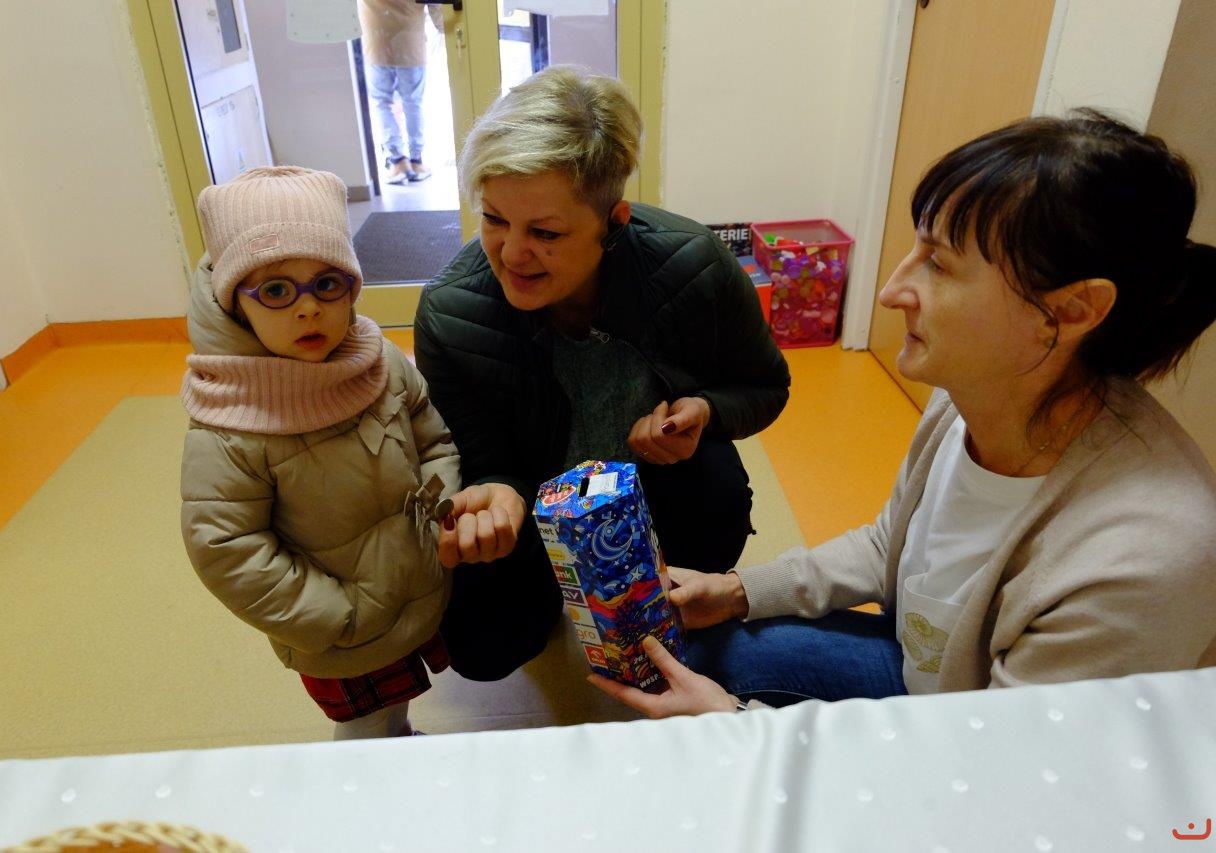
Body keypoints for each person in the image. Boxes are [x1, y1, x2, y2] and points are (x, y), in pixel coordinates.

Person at [591, 110, 1216, 718]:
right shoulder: (970, 394)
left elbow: (1002, 769)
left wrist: (732, 722)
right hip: (929, 679)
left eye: (939, 263)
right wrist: (738, 591)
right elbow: (892, 542)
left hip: (984, 750)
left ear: (1074, 310)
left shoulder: (1139, 562)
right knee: (698, 649)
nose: (892, 291)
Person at [415, 66, 791, 681]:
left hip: (653, 487)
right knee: (481, 649)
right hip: (536, 500)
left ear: (614, 222)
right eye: (494, 219)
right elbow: (481, 455)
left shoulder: (694, 267)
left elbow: (766, 386)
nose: (511, 253)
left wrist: (705, 411)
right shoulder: (452, 312)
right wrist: (497, 494)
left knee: (717, 494)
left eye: (545, 232)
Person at [179, 166, 460, 738]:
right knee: (363, 729)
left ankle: (400, 740)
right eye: (276, 291)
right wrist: (337, 616)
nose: (308, 309)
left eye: (327, 283)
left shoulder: (378, 360)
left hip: (412, 585)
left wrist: (441, 520)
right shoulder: (230, 419)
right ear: (234, 304)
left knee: (395, 706)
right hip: (339, 630)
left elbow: (433, 439)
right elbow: (227, 548)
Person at [359, 0, 442, 185]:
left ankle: (398, 160)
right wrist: (443, 24)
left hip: (376, 40)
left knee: (382, 103)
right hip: (409, 41)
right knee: (413, 102)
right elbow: (437, 9)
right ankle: (416, 161)